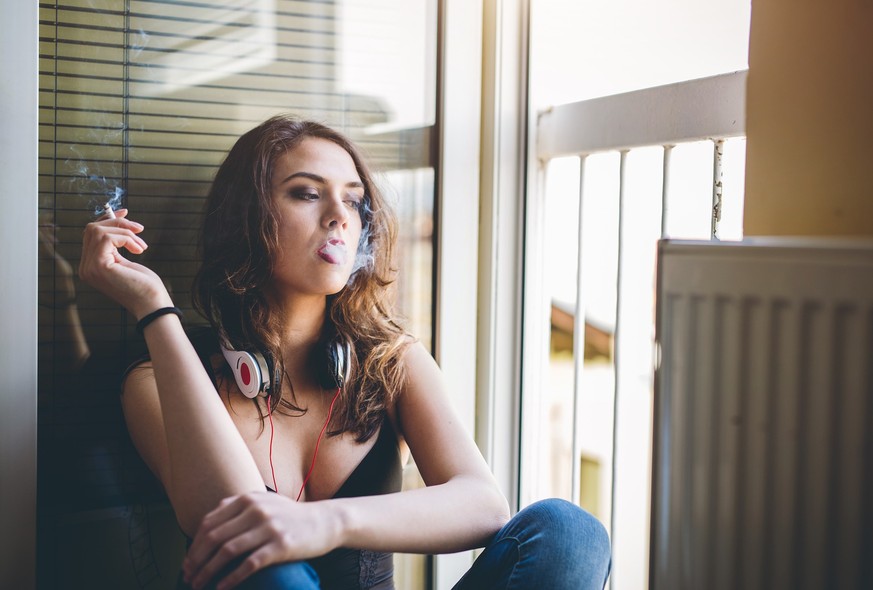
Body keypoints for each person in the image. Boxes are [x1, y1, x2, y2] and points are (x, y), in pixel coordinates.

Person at [79, 115, 611, 590]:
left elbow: (484, 505)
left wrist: (325, 521)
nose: (340, 216)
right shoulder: (160, 372)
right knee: (270, 569)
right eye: (307, 194)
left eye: (354, 200)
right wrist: (154, 309)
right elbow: (220, 513)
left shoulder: (389, 360)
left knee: (568, 533)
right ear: (247, 217)